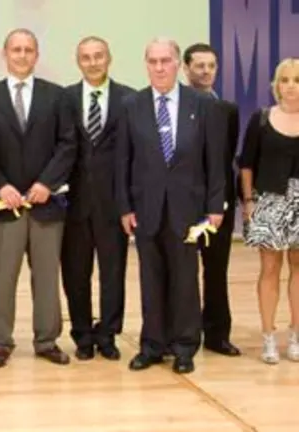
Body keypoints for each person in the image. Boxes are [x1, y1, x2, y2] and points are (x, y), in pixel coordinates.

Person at [115, 38, 225, 374]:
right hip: (146, 208)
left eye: (166, 60)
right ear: (145, 64)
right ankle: (153, 345)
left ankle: (184, 346)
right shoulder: (131, 104)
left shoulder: (201, 104)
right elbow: (123, 161)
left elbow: (214, 160)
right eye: (153, 61)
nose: (159, 67)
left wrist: (215, 207)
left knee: (185, 280)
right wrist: (124, 207)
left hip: (188, 210)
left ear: (179, 64)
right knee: (151, 279)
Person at [0, 28, 77, 368]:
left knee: (47, 276)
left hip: (46, 204)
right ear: (4, 54)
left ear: (37, 55)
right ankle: (0, 342)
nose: (21, 55)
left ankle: (47, 340)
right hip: (3, 205)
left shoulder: (57, 96)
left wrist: (47, 182)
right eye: (15, 50)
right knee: (2, 277)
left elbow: (67, 144)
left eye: (28, 50)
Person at [61, 36, 134, 361]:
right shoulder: (64, 99)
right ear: (78, 62)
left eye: (98, 56)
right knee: (76, 274)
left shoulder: (129, 99)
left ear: (109, 58)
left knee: (113, 273)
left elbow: (134, 157)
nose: (93, 62)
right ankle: (82, 336)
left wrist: (129, 203)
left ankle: (108, 334)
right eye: (86, 57)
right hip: (72, 205)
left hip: (113, 204)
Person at [181, 42, 241, 357]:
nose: (206, 71)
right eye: (199, 65)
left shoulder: (228, 109)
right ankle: (185, 334)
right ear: (186, 68)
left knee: (216, 270)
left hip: (219, 205)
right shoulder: (176, 106)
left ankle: (217, 335)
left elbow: (225, 155)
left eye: (211, 66)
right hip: (184, 203)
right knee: (183, 271)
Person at [238, 57, 299, 364]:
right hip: (269, 201)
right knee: (270, 270)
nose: (291, 87)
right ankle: (268, 337)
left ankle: (296, 336)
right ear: (276, 85)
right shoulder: (261, 119)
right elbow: (246, 164)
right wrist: (248, 201)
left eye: (297, 80)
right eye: (285, 80)